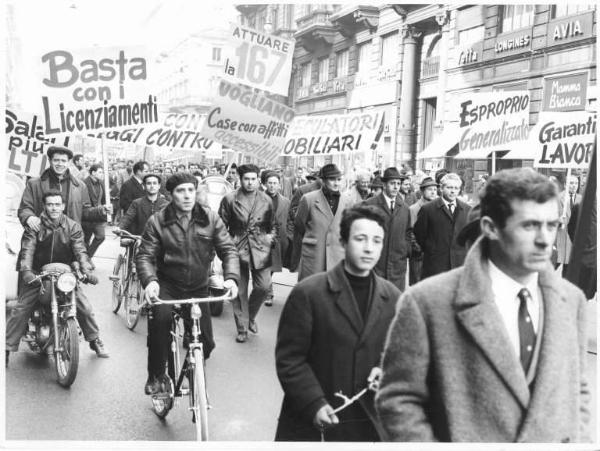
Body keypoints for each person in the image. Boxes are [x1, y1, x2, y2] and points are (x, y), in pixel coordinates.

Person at [376, 167, 591, 442]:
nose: (544, 240)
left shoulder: (571, 301)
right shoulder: (427, 303)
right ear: (490, 228)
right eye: (529, 225)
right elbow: (398, 399)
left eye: (552, 225)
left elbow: (578, 388)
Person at [275, 205, 401, 441]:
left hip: (367, 421)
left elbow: (398, 352)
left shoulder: (392, 296)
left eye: (377, 241)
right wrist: (313, 402)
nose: (368, 248)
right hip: (314, 420)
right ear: (343, 242)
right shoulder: (309, 293)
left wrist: (384, 368)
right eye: (360, 239)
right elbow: (289, 358)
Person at [136, 173, 240, 394]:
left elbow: (228, 250)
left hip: (198, 285)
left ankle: (194, 368)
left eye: (191, 190)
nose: (187, 196)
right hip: (167, 284)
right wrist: (151, 282)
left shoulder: (211, 218)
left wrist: (231, 278)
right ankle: (156, 375)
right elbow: (144, 255)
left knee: (207, 341)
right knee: (160, 324)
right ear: (171, 195)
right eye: (180, 191)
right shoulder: (157, 221)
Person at [7, 191, 108, 363]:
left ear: (63, 206)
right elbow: (27, 250)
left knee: (84, 306)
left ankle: (94, 339)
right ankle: (7, 347)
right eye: (50, 204)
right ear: (45, 206)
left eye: (57, 204)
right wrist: (27, 272)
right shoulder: (35, 226)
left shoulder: (73, 226)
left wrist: (85, 270)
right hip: (38, 273)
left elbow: (80, 250)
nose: (54, 208)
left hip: (64, 274)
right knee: (22, 307)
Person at [218, 164, 276, 343]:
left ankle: (249, 316)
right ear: (239, 179)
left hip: (260, 249)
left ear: (258, 180)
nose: (250, 183)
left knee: (263, 287)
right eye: (246, 179)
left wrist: (270, 239)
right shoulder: (229, 199)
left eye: (253, 179)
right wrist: (228, 245)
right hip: (237, 249)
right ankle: (242, 327)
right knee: (239, 290)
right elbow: (220, 227)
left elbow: (272, 225)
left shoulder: (266, 200)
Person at [18, 146, 107, 230]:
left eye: (63, 161)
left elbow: (85, 212)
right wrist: (29, 217)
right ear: (49, 161)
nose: (60, 164)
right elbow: (24, 208)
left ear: (68, 162)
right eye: (56, 160)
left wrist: (101, 210)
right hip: (42, 237)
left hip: (69, 238)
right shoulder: (34, 184)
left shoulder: (80, 186)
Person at [293, 164, 352, 281]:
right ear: (323, 180)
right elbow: (300, 225)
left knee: (335, 291)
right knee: (311, 289)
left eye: (339, 179)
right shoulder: (308, 199)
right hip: (315, 254)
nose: (336, 183)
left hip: (337, 254)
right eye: (332, 179)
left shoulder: (348, 201)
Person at [362, 167, 416, 291]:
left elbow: (408, 232)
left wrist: (405, 249)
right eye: (392, 183)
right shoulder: (370, 205)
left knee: (394, 301)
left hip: (397, 266)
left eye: (398, 183)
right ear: (384, 185)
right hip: (375, 263)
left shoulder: (404, 208)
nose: (396, 187)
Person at [414, 172, 471, 279]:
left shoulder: (467, 210)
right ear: (441, 188)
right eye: (449, 187)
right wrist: (432, 249)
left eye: (456, 188)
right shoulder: (428, 209)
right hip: (435, 266)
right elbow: (419, 234)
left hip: (459, 266)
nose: (453, 191)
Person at [261, 170, 290, 307]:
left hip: (279, 240)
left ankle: (264, 289)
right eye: (270, 183)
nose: (272, 186)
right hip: (262, 238)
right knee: (264, 267)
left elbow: (289, 220)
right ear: (265, 184)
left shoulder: (285, 202)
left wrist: (288, 236)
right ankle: (268, 293)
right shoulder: (258, 198)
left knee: (271, 268)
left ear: (279, 185)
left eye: (275, 183)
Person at [408, 177, 438, 285]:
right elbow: (410, 231)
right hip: (419, 255)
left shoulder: (438, 207)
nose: (433, 192)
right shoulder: (414, 208)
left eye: (435, 189)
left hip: (434, 255)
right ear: (422, 191)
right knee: (418, 284)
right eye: (430, 189)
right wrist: (417, 248)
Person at [555, 175, 581, 276]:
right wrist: (557, 219)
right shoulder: (557, 198)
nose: (574, 186)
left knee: (568, 269)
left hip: (573, 238)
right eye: (571, 183)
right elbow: (547, 216)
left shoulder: (581, 199)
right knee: (553, 265)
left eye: (576, 183)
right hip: (559, 238)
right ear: (566, 185)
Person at [82, 164, 109, 261]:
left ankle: (88, 257)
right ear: (93, 173)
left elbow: (104, 199)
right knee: (86, 239)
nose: (102, 174)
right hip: (87, 216)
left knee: (101, 237)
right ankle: (83, 261)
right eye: (100, 172)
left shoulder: (101, 183)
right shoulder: (84, 184)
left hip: (98, 216)